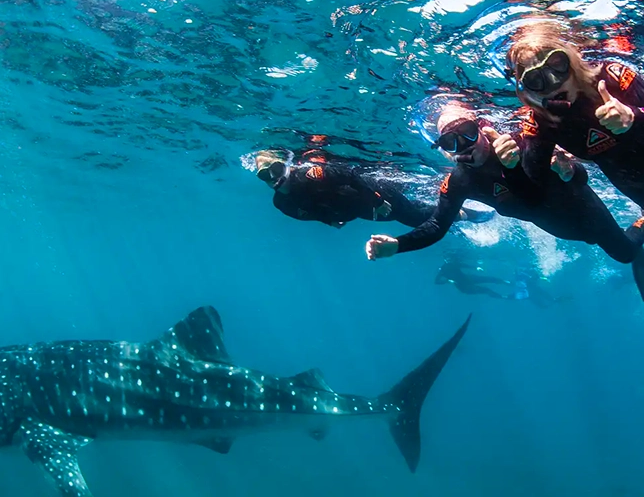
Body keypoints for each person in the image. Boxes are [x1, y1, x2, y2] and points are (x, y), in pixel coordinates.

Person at [364, 103, 644, 299]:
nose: (465, 144)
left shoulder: (520, 142)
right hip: (558, 226)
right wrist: (398, 245)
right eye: (451, 141)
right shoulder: (461, 180)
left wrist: (568, 170)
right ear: (446, 151)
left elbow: (579, 174)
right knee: (592, 240)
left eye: (468, 132)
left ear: (481, 129)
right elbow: (437, 224)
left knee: (624, 253)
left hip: (582, 207)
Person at [504, 22, 644, 208]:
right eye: (535, 79)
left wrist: (634, 117)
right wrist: (511, 167)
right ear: (526, 89)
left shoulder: (612, 77)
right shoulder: (541, 122)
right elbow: (533, 194)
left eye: (557, 65)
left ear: (572, 60)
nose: (554, 83)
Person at [254, 148, 493, 229]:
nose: (274, 178)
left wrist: (377, 201)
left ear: (285, 165)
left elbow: (351, 175)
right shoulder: (282, 203)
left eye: (276, 169)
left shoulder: (310, 173)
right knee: (415, 214)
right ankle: (459, 212)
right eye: (265, 175)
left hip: (375, 194)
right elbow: (310, 214)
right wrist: (328, 220)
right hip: (361, 210)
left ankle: (468, 213)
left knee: (415, 216)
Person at [434, 259, 512, 299]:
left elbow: (464, 265)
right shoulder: (443, 270)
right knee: (486, 290)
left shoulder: (454, 264)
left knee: (488, 278)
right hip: (463, 287)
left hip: (467, 278)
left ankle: (505, 282)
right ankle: (502, 296)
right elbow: (436, 281)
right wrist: (447, 281)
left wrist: (476, 268)